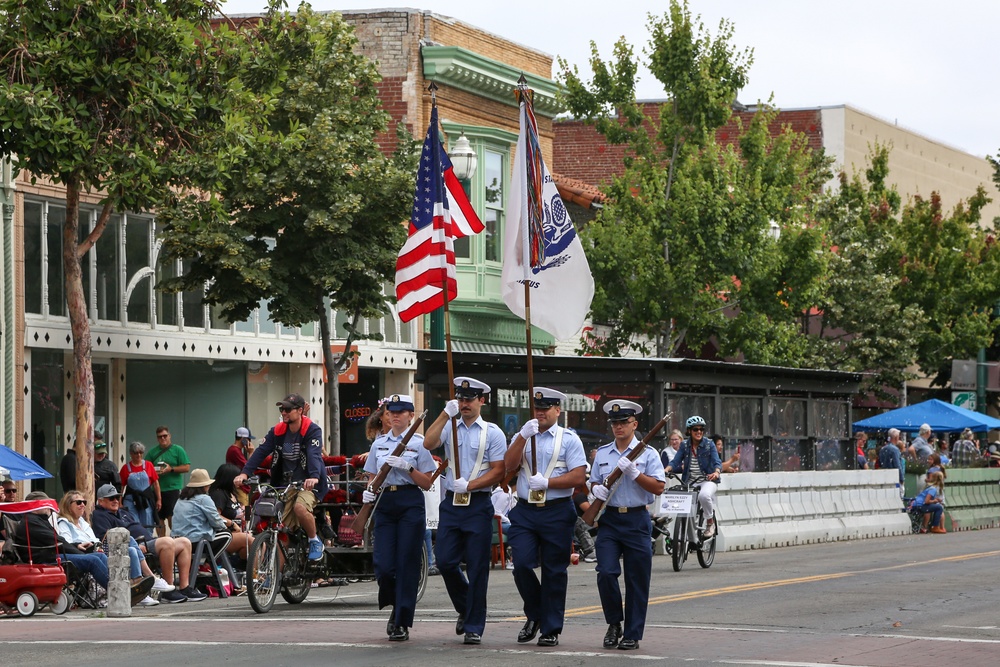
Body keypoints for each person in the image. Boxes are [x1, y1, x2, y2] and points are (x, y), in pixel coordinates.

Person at [422, 377, 507, 645]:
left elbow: (498, 471)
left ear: (482, 401)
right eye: (460, 399)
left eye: (469, 400)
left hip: (478, 504)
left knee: (478, 567)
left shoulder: (492, 432)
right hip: (452, 505)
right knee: (445, 561)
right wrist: (445, 414)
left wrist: (470, 485)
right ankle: (466, 606)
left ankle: (474, 625)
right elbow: (428, 443)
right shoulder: (450, 426)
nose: (464, 404)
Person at [502, 387, 587, 648]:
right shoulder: (524, 435)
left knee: (554, 571)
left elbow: (578, 476)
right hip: (526, 510)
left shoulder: (569, 439)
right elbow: (509, 464)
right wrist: (521, 438)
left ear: (557, 411)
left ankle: (550, 628)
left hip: (557, 510)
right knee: (522, 565)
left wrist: (548, 482)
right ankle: (536, 613)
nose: (540, 413)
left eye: (545, 408)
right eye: (537, 408)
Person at [589, 400, 665, 652]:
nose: (618, 427)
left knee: (637, 580)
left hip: (636, 519)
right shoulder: (602, 453)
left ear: (634, 424)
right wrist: (595, 488)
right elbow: (594, 482)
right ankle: (614, 624)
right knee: (606, 573)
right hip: (609, 520)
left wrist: (635, 473)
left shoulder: (648, 454)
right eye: (615, 423)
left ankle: (632, 633)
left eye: (624, 422)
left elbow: (658, 487)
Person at [362, 394, 437, 642]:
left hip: (409, 502)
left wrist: (408, 467)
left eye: (400, 412)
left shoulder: (419, 443)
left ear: (410, 416)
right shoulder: (378, 443)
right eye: (391, 412)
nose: (395, 416)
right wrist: (367, 491)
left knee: (407, 562)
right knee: (383, 565)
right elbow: (371, 475)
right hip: (385, 502)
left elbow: (427, 482)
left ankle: (401, 619)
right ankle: (394, 603)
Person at [235, 393, 327, 562]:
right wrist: (244, 473)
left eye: (288, 409)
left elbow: (314, 454)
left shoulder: (312, 430)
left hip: (308, 483)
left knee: (300, 508)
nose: (283, 412)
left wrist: (314, 477)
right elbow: (261, 452)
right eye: (281, 409)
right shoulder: (277, 431)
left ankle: (314, 540)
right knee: (278, 531)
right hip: (283, 484)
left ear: (300, 411)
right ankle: (274, 578)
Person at [90, 483, 203, 603]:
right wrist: (137, 544)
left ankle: (184, 587)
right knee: (167, 542)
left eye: (117, 497)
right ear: (101, 501)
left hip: (146, 541)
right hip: (136, 545)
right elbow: (106, 539)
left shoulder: (122, 512)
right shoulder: (100, 515)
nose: (116, 501)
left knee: (185, 542)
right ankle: (168, 591)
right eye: (111, 498)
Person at [55, 490, 166, 606]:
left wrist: (97, 545)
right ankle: (139, 583)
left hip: (98, 549)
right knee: (129, 542)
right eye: (78, 502)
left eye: (84, 502)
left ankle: (138, 585)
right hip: (85, 553)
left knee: (131, 548)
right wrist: (83, 544)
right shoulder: (64, 523)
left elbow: (95, 539)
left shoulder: (83, 522)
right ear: (68, 505)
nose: (82, 504)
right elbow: (67, 543)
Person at [15, 491, 114, 597]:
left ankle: (118, 585)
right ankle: (116, 592)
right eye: (45, 503)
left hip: (52, 554)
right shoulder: (31, 522)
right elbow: (56, 541)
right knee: (93, 560)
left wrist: (76, 546)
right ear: (35, 506)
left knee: (100, 555)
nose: (49, 507)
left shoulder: (38, 520)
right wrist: (79, 553)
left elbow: (56, 541)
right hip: (45, 560)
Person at [173, 468, 253, 563]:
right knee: (228, 535)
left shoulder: (181, 499)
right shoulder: (204, 499)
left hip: (177, 539)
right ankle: (209, 562)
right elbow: (216, 520)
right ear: (205, 485)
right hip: (196, 541)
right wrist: (231, 525)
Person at [664, 416, 722, 538]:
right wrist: (667, 469)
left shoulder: (709, 444)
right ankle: (683, 537)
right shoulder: (684, 445)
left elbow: (717, 462)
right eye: (696, 429)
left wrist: (716, 472)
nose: (699, 432)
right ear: (689, 431)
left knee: (704, 495)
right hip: (690, 481)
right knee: (682, 504)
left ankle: (710, 523)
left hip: (708, 480)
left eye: (701, 429)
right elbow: (675, 462)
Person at [145, 425, 191, 536]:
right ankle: (162, 542)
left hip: (172, 489)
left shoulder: (178, 450)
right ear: (157, 438)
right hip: (156, 490)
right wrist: (154, 473)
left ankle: (176, 543)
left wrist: (171, 469)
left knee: (173, 519)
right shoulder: (152, 452)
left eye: (165, 436)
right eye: (160, 437)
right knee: (158, 519)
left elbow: (186, 467)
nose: (163, 438)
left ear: (169, 436)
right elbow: (145, 468)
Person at [120, 440, 161, 534]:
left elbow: (156, 484)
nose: (138, 455)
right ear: (131, 453)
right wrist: (120, 502)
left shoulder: (149, 465)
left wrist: (159, 499)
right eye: (135, 453)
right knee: (133, 521)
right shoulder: (125, 468)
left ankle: (148, 541)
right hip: (131, 500)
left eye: (140, 453)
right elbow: (121, 487)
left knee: (148, 520)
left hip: (145, 499)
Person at [879, 428, 905, 496]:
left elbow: (881, 463)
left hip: (885, 477)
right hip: (895, 479)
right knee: (899, 498)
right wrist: (901, 479)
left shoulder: (883, 449)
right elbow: (897, 465)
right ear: (896, 438)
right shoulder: (895, 450)